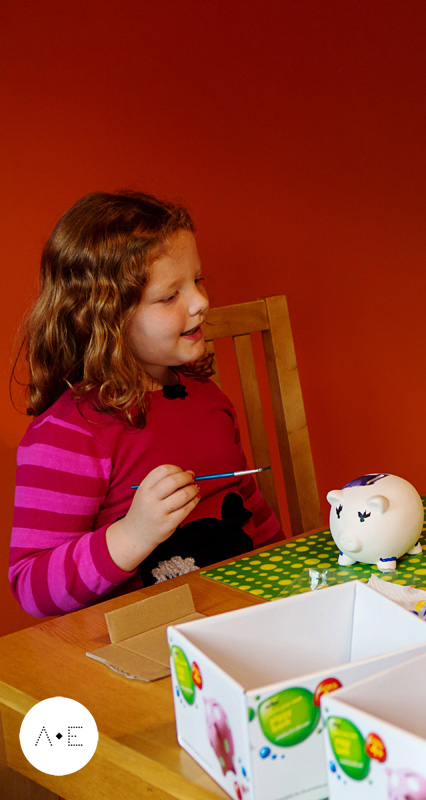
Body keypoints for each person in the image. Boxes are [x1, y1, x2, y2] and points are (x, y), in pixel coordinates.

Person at [9, 191, 283, 616]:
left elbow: (247, 505)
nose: (200, 302)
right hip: (145, 646)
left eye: (197, 279)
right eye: (169, 296)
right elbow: (31, 589)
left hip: (239, 617)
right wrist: (133, 535)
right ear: (106, 319)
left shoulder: (206, 398)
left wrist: (285, 574)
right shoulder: (68, 437)